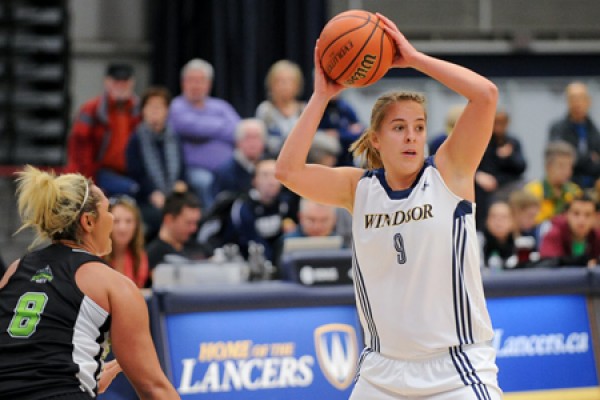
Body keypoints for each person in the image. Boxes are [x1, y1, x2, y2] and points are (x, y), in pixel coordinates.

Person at [275, 13, 502, 399]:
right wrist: (321, 96)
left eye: (418, 126)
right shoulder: (358, 189)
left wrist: (413, 58)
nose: (412, 136)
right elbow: (287, 170)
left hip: (455, 369)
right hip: (381, 371)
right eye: (399, 127)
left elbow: (485, 95)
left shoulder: (450, 174)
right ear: (376, 140)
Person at [0, 166, 179, 399]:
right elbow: (154, 389)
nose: (112, 218)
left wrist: (82, 375)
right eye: (107, 210)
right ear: (89, 222)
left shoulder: (16, 269)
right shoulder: (113, 284)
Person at [168, 58, 240, 209]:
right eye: (192, 80)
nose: (196, 85)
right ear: (183, 83)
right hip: (194, 170)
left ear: (209, 84)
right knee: (204, 181)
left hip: (227, 167)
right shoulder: (177, 106)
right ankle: (212, 221)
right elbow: (190, 127)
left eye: (201, 80)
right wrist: (220, 126)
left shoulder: (221, 106)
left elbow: (238, 130)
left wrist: (206, 127)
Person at [66, 63, 141, 197]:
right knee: (132, 189)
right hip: (100, 173)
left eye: (125, 81)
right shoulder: (91, 110)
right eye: (116, 81)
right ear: (107, 82)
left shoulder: (140, 111)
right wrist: (87, 183)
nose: (121, 85)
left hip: (133, 172)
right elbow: (79, 151)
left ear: (132, 83)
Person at [127, 86, 187, 242]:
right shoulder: (136, 139)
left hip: (174, 193)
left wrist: (181, 183)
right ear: (143, 111)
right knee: (157, 215)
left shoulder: (174, 137)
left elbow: (182, 168)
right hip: (146, 196)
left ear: (167, 111)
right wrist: (152, 193)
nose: (155, 111)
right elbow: (136, 173)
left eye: (159, 106)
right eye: (150, 106)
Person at [229, 159, 297, 270]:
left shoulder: (285, 203)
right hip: (245, 261)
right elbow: (250, 240)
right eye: (265, 176)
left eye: (276, 176)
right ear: (254, 180)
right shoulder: (243, 207)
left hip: (277, 260)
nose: (272, 181)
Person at [475, 108, 527, 228]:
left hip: (507, 184)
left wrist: (510, 156)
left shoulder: (512, 142)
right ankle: (482, 229)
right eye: (496, 122)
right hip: (485, 185)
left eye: (502, 123)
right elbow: (471, 164)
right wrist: (478, 175)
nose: (499, 126)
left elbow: (521, 167)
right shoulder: (482, 140)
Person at [548, 81, 600, 189]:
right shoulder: (558, 129)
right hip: (566, 184)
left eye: (581, 98)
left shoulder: (595, 130)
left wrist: (576, 157)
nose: (577, 103)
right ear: (567, 102)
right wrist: (589, 159)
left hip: (593, 184)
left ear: (588, 101)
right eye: (573, 99)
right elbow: (559, 159)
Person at [256, 60, 306, 157]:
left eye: (289, 81)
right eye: (280, 81)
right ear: (271, 84)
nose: (285, 86)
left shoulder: (305, 109)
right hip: (272, 158)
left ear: (298, 85)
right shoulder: (265, 110)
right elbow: (261, 141)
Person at [524, 141, 582, 224]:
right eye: (561, 166)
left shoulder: (575, 192)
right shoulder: (532, 191)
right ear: (547, 167)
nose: (567, 172)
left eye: (570, 166)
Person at [146, 190, 203, 273]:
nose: (194, 228)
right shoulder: (153, 255)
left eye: (195, 223)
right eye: (188, 223)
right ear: (169, 219)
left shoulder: (197, 246)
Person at [211, 118, 267, 198]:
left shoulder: (270, 166)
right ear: (238, 141)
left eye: (257, 137)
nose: (252, 143)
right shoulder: (225, 172)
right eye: (248, 138)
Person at [539, 193, 600, 267]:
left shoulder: (597, 236)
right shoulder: (554, 234)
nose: (581, 220)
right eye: (576, 214)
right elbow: (547, 264)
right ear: (566, 215)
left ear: (596, 217)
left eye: (588, 215)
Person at [104, 195, 150, 288]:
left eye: (128, 221)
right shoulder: (96, 256)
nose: (122, 228)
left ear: (136, 226)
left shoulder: (140, 257)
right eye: (116, 221)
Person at [318, 94, 365, 166]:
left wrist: (339, 134)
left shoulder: (345, 107)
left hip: (348, 157)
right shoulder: (318, 108)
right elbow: (317, 136)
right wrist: (347, 131)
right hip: (325, 157)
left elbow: (360, 131)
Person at [478, 200, 518, 270]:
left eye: (504, 217)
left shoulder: (522, 245)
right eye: (493, 216)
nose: (498, 221)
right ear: (487, 221)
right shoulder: (476, 243)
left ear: (513, 221)